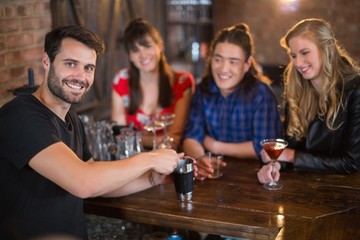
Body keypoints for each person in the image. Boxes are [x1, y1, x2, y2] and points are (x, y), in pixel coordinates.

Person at [0, 25, 185, 240]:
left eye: (89, 68)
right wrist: (150, 158)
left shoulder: (72, 119)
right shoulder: (20, 115)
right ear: (46, 62)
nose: (81, 76)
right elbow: (84, 183)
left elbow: (98, 181)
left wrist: (153, 178)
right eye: (70, 64)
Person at [257, 18, 360, 185]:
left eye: (305, 53)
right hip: (303, 189)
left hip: (347, 194)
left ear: (327, 49)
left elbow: (351, 162)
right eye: (293, 56)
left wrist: (290, 156)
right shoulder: (297, 88)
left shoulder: (356, 89)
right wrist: (274, 165)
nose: (298, 63)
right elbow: (292, 146)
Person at [183, 23, 283, 180]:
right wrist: (201, 158)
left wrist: (215, 146)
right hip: (211, 179)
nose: (223, 68)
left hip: (252, 179)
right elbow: (191, 137)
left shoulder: (260, 94)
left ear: (246, 65)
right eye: (218, 59)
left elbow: (264, 148)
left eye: (233, 62)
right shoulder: (203, 90)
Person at [111, 18, 195, 149]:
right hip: (133, 160)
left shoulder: (182, 82)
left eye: (147, 46)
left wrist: (136, 138)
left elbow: (174, 138)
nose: (142, 55)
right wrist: (158, 140)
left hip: (169, 160)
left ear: (160, 46)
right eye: (135, 50)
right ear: (130, 56)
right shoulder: (121, 79)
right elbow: (118, 134)